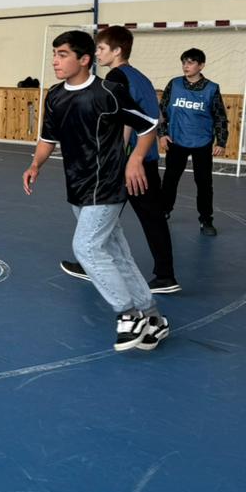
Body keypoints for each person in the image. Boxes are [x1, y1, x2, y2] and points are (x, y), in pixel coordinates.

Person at [22, 30, 169, 352]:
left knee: (86, 248)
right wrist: (35, 165)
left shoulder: (109, 92)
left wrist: (135, 160)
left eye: (62, 54)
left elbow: (148, 125)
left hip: (108, 185)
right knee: (117, 253)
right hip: (78, 185)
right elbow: (48, 138)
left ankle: (128, 314)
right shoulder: (55, 95)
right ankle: (153, 317)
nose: (55, 61)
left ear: (84, 59)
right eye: (54, 54)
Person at [61, 26, 180, 293]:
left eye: (101, 48)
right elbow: (156, 116)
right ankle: (163, 274)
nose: (97, 53)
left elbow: (123, 118)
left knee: (100, 209)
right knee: (132, 216)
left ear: (117, 51)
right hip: (145, 157)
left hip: (128, 162)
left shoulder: (116, 76)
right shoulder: (140, 77)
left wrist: (121, 158)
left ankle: (164, 275)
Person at [158, 47, 228, 236]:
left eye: (190, 62)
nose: (186, 66)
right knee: (170, 180)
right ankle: (164, 211)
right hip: (176, 140)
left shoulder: (212, 88)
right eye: (184, 62)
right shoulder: (174, 84)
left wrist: (221, 142)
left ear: (201, 65)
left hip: (202, 142)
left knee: (204, 183)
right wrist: (162, 134)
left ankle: (206, 219)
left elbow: (220, 116)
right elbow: (161, 111)